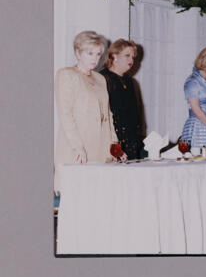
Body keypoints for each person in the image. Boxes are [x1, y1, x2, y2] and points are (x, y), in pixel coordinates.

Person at [55, 31, 124, 175]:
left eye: (98, 54)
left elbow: (108, 115)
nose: (95, 59)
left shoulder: (100, 78)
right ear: (78, 53)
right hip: (79, 146)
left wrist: (115, 146)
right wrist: (78, 147)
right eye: (90, 53)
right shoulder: (67, 75)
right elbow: (65, 114)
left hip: (102, 145)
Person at [100, 39, 143, 160]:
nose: (131, 60)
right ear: (114, 56)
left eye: (133, 57)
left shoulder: (129, 81)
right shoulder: (103, 78)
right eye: (127, 55)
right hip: (113, 140)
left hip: (131, 140)